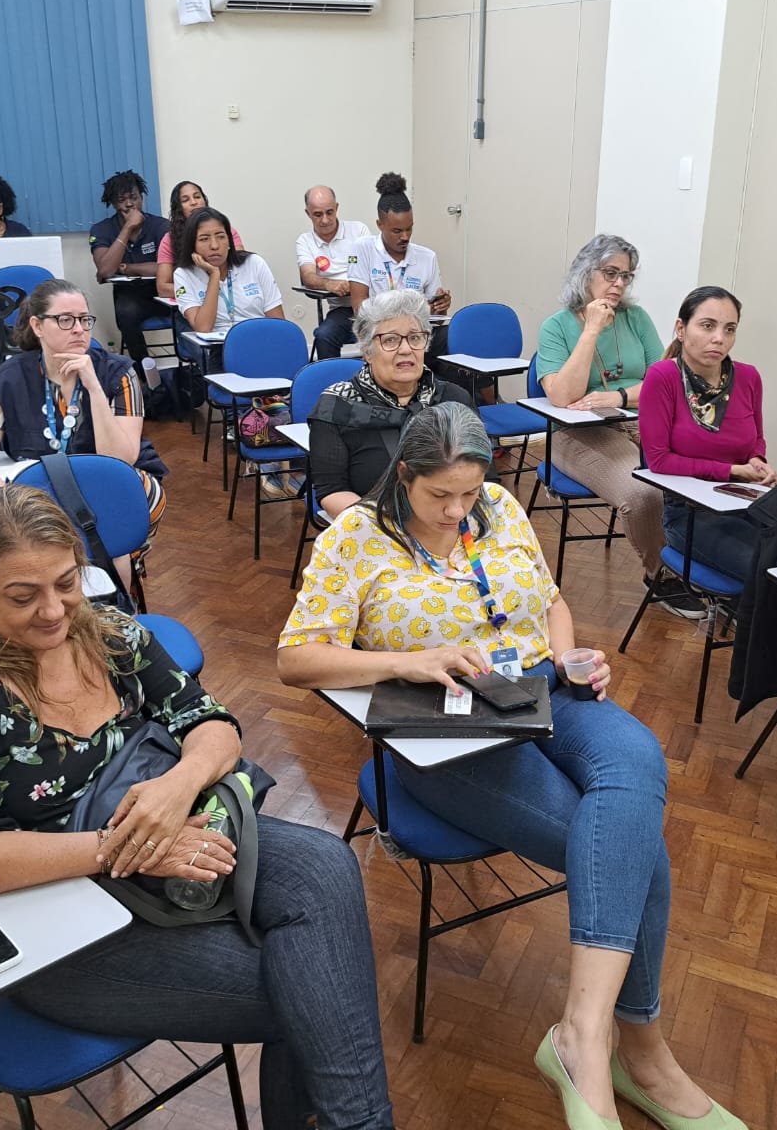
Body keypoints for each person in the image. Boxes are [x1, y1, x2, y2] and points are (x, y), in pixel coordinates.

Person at [277, 405, 746, 1130]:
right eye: (440, 497)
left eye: (469, 491)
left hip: (544, 693)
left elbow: (551, 602)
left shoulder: (497, 507)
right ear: (404, 476)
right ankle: (636, 1051)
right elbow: (295, 659)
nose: (459, 510)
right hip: (446, 732)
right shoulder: (356, 537)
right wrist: (411, 660)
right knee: (632, 847)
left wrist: (567, 654)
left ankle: (584, 1038)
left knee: (638, 759)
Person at [0, 486, 397, 1130]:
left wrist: (175, 788)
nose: (52, 611)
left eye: (66, 582)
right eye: (22, 596)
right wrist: (126, 845)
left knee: (325, 866)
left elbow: (214, 724)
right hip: (56, 922)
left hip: (166, 851)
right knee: (312, 992)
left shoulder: (109, 634)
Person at [0, 278, 167, 569]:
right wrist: (0, 490)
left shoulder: (118, 373)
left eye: (84, 320)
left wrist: (93, 387)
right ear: (38, 326)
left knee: (114, 545)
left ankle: (117, 596)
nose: (79, 329)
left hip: (106, 481)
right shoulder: (12, 377)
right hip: (40, 491)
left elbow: (119, 460)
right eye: (65, 320)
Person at [537, 234, 697, 616]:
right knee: (643, 493)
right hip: (576, 434)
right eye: (611, 273)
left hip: (638, 420)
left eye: (627, 276)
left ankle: (704, 567)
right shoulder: (556, 327)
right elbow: (562, 396)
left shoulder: (635, 319)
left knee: (709, 470)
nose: (619, 284)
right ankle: (661, 575)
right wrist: (591, 329)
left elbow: (667, 379)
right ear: (584, 273)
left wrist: (620, 397)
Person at [639, 286, 777, 581]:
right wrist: (733, 470)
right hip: (688, 514)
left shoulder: (749, 376)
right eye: (707, 326)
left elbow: (756, 440)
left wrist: (756, 461)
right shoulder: (663, 377)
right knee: (767, 570)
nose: (719, 338)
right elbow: (659, 461)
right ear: (681, 328)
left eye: (729, 330)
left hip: (744, 501)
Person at [307, 290, 476, 518]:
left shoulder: (454, 400)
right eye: (390, 340)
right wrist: (390, 526)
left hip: (452, 520)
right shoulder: (337, 407)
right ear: (367, 351)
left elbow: (484, 476)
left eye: (415, 337)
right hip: (376, 528)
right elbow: (333, 491)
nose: (406, 349)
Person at [173, 207, 296, 498]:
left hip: (264, 352)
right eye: (204, 239)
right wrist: (213, 276)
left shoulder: (254, 265)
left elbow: (277, 322)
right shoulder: (184, 275)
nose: (214, 245)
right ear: (193, 245)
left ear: (230, 239)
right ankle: (271, 461)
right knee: (261, 392)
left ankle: (282, 459)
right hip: (221, 358)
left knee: (283, 387)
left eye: (220, 236)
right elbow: (202, 325)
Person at [347, 173, 452, 366]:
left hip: (416, 331)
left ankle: (461, 393)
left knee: (450, 335)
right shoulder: (362, 249)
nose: (405, 236)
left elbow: (435, 316)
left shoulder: (427, 257)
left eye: (409, 229)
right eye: (396, 231)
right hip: (379, 329)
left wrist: (441, 305)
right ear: (380, 225)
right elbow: (359, 306)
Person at [89, 169, 172, 364]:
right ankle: (146, 374)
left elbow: (170, 269)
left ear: (141, 197)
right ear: (113, 203)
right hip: (129, 297)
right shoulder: (102, 230)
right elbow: (106, 271)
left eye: (134, 197)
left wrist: (128, 268)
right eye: (121, 199)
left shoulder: (161, 226)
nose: (129, 204)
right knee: (126, 312)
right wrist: (127, 228)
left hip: (162, 292)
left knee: (189, 304)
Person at [297, 184, 369, 359]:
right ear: (308, 213)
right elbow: (308, 276)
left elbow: (372, 266)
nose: (325, 220)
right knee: (324, 336)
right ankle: (330, 383)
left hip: (370, 303)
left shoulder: (358, 230)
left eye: (329, 212)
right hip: (343, 310)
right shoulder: (305, 241)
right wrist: (329, 284)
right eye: (317, 214)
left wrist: (354, 284)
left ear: (337, 208)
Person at [155, 179, 243, 295]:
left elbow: (241, 270)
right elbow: (163, 288)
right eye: (185, 200)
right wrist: (196, 292)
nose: (193, 202)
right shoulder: (169, 240)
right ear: (179, 208)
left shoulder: (226, 231)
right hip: (192, 304)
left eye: (197, 197)